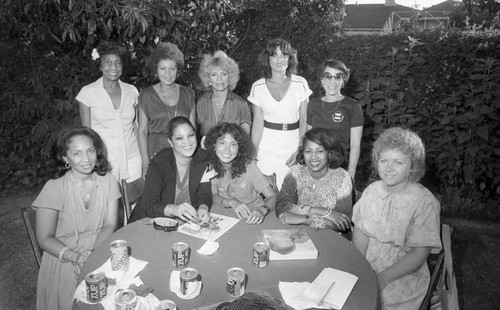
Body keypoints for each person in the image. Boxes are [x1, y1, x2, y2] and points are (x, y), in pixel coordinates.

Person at [352, 127, 441, 309]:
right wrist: (360, 267)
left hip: (402, 275)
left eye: (398, 162)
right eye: (384, 161)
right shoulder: (371, 191)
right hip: (368, 265)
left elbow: (419, 254)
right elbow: (360, 233)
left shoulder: (424, 202)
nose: (388, 168)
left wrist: (382, 278)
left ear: (413, 166)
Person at [33, 127, 120, 309]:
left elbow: (110, 224)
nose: (87, 159)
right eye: (77, 153)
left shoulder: (109, 181)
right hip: (63, 256)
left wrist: (93, 255)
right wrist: (77, 257)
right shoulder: (54, 188)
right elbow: (44, 238)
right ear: (65, 158)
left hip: (100, 246)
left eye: (90, 151)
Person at [248, 38, 312, 190]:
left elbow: (304, 120)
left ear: (290, 58)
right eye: (274, 55)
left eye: (284, 55)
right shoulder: (258, 87)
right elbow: (257, 124)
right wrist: (252, 156)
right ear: (267, 58)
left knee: (291, 194)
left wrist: (301, 149)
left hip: (292, 148)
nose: (280, 59)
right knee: (265, 194)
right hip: (266, 150)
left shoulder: (300, 83)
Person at [77, 41, 142, 182]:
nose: (113, 67)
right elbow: (86, 134)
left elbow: (137, 127)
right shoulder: (87, 93)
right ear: (100, 66)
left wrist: (144, 156)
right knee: (105, 202)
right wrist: (92, 161)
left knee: (134, 201)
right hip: (103, 161)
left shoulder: (132, 92)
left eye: (117, 62)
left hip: (133, 158)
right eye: (107, 62)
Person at [130, 116, 211, 223]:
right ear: (170, 142)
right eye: (179, 138)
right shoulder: (160, 162)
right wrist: (173, 209)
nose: (187, 142)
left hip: (181, 223)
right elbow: (148, 203)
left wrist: (203, 207)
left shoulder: (202, 158)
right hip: (148, 221)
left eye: (190, 135)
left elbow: (204, 192)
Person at [276, 128, 353, 231]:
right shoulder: (295, 173)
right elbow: (282, 207)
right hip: (300, 233)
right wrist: (322, 211)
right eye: (308, 151)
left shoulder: (342, 178)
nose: (313, 157)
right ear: (302, 153)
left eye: (319, 151)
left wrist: (304, 219)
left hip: (332, 238)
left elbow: (342, 223)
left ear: (329, 154)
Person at [137, 42, 196, 176]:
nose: (167, 73)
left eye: (172, 68)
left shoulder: (189, 94)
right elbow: (142, 131)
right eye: (163, 68)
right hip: (156, 152)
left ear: (178, 70)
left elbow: (193, 129)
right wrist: (145, 161)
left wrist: (192, 156)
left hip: (182, 150)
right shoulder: (146, 95)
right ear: (156, 70)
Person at [206, 123, 276, 225]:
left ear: (239, 149)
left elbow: (273, 196)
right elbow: (212, 196)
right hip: (227, 215)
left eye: (233, 144)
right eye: (222, 143)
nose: (227, 149)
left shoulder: (249, 168)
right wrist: (231, 202)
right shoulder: (211, 167)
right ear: (214, 146)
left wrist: (262, 210)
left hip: (254, 215)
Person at [307, 59, 363, 180]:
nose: (332, 81)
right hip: (315, 165)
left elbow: (355, 144)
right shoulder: (312, 104)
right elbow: (308, 141)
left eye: (338, 77)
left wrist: (351, 172)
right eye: (328, 76)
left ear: (343, 81)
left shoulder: (353, 106)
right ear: (322, 80)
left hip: (339, 166)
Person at [197, 51, 251, 141]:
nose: (219, 79)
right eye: (214, 74)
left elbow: (244, 139)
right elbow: (202, 134)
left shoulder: (241, 104)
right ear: (208, 78)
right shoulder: (202, 102)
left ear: (230, 77)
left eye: (224, 74)